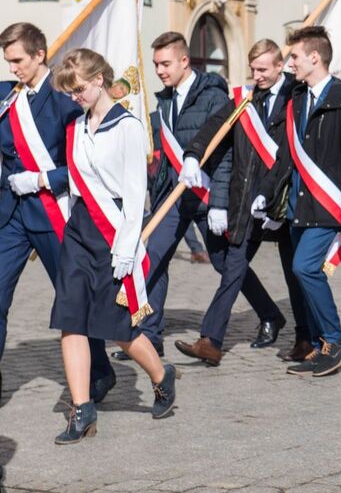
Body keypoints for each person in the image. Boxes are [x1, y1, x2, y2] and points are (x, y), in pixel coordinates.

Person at [49, 49, 179, 444]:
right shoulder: (76, 126)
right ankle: (82, 411)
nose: (75, 97)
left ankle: (161, 375)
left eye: (80, 89)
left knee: (116, 327)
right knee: (70, 321)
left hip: (114, 233)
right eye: (70, 92)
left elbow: (135, 191)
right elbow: (75, 184)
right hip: (79, 231)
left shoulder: (128, 127)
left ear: (100, 80)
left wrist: (126, 250)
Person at [0, 23, 114, 404]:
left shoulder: (67, 99)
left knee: (74, 299)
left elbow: (83, 164)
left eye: (17, 60)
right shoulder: (6, 97)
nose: (12, 68)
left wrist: (39, 179)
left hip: (53, 212)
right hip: (12, 216)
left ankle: (99, 371)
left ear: (39, 55)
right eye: (7, 61)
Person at [174, 39, 297, 366]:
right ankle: (212, 341)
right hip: (247, 203)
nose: (257, 76)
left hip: (282, 203)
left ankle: (310, 336)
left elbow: (289, 155)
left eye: (263, 69)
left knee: (296, 275)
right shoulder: (245, 98)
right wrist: (192, 155)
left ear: (280, 65)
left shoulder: (294, 98)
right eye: (253, 69)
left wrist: (271, 196)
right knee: (231, 268)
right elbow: (215, 126)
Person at [113, 31, 234, 362]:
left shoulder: (212, 96)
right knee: (154, 254)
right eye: (155, 65)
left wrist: (220, 203)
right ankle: (150, 336)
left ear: (184, 60)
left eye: (166, 64)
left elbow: (225, 155)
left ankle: (269, 315)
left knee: (228, 264)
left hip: (206, 195)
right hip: (174, 196)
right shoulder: (163, 99)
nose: (160, 70)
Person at [255, 26, 341, 377]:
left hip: (327, 206)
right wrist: (266, 191)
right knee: (300, 273)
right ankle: (319, 343)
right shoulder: (299, 99)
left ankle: (335, 337)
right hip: (299, 206)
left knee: (305, 268)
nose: (291, 64)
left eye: (295, 57)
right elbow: (287, 156)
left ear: (314, 57)